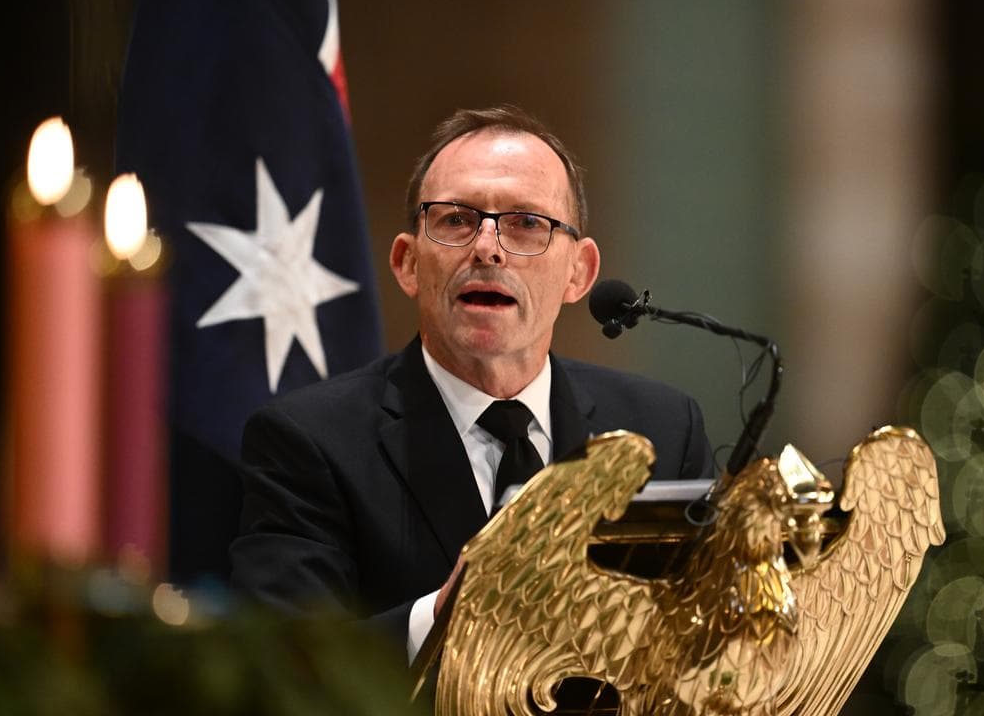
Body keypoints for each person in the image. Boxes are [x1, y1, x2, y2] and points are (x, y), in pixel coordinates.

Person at [229, 105, 715, 666]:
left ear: (578, 272)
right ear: (408, 263)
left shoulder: (663, 429)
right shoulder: (309, 442)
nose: (487, 247)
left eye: (527, 223)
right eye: (457, 220)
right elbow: (278, 663)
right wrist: (442, 615)